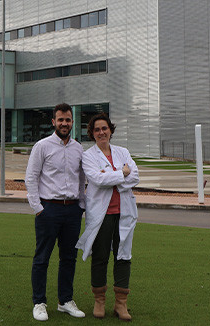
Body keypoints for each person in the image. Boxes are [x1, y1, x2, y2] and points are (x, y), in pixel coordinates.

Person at [26, 103, 86, 322]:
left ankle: (65, 301)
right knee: (42, 258)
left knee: (69, 258)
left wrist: (81, 204)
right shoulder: (42, 146)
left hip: (72, 210)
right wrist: (38, 208)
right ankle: (39, 302)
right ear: (53, 122)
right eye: (60, 120)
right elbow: (31, 177)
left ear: (72, 122)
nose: (64, 123)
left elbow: (82, 179)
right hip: (48, 209)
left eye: (68, 120)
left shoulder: (78, 148)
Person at [76, 113, 139, 321]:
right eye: (97, 130)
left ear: (110, 130)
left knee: (123, 256)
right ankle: (99, 300)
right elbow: (97, 179)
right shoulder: (88, 156)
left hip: (124, 212)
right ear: (92, 134)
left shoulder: (123, 152)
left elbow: (136, 176)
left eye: (104, 128)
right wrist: (122, 174)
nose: (101, 132)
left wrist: (117, 176)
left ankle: (121, 304)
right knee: (100, 256)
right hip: (101, 215)